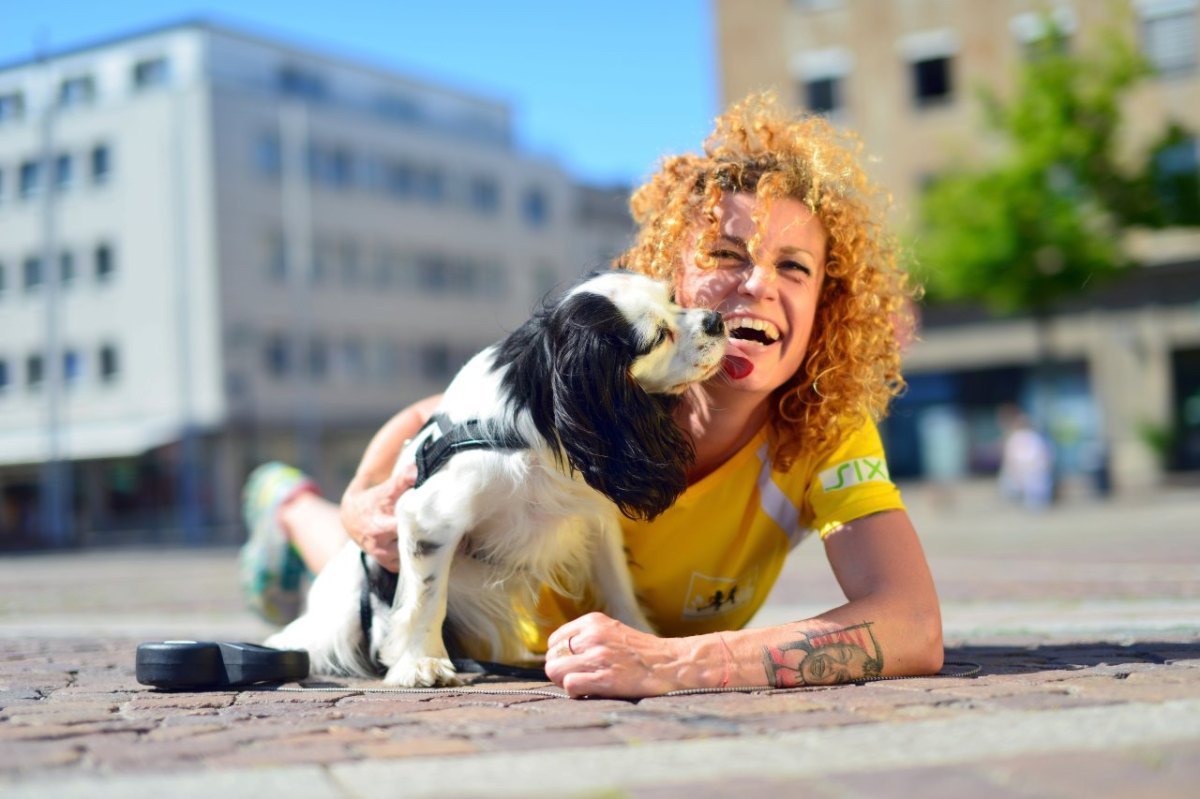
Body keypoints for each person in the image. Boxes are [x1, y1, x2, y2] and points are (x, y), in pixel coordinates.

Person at [239, 92, 943, 698]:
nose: (758, 284)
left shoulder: (825, 430)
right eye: (727, 254)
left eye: (794, 267)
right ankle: (290, 502)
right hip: (474, 591)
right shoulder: (609, 375)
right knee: (363, 548)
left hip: (591, 632)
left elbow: (912, 624)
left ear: (828, 304)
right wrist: (365, 501)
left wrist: (678, 663)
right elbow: (433, 417)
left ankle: (297, 510)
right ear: (669, 271)